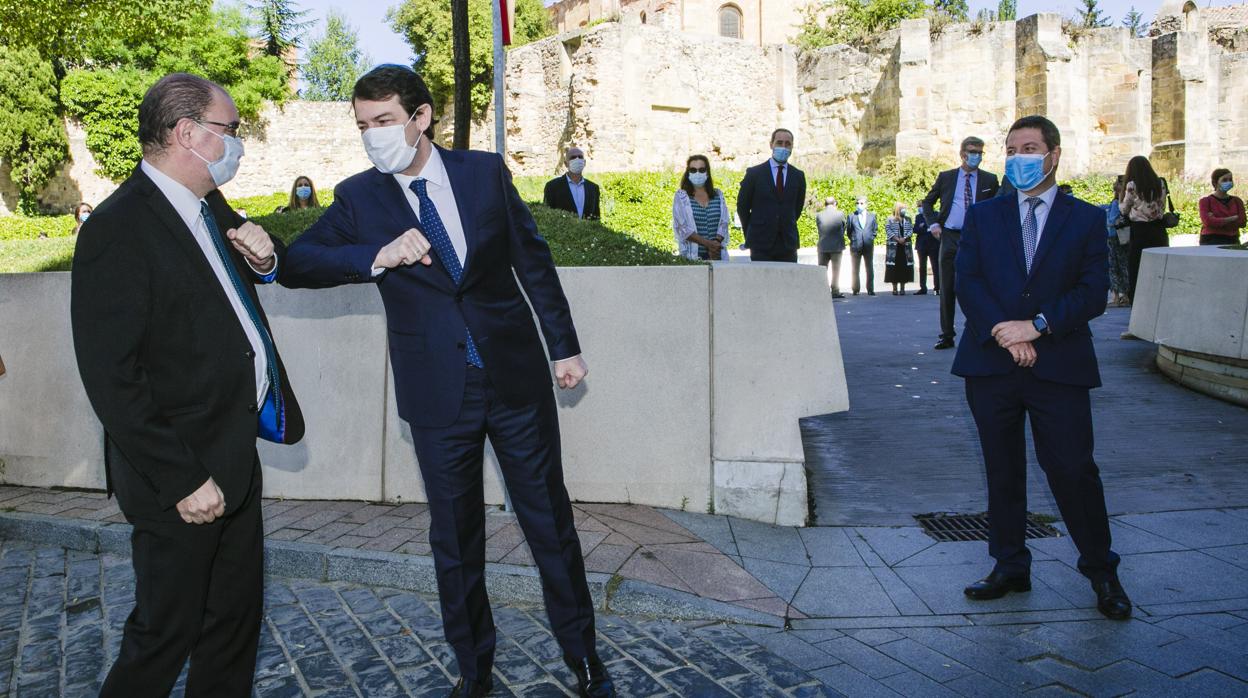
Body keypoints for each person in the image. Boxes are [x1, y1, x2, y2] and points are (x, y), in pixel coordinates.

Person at [280, 66, 613, 698]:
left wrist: (562, 348)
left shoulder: (483, 173)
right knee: (456, 541)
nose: (372, 136)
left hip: (515, 383)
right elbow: (297, 264)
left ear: (421, 116)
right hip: (437, 395)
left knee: (549, 525)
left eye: (383, 121)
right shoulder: (360, 198)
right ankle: (473, 672)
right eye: (362, 126)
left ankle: (586, 661)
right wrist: (376, 257)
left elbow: (532, 262)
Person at [70, 72, 305, 697]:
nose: (237, 145)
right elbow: (112, 378)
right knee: (164, 633)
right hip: (178, 474)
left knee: (233, 626)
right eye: (229, 131)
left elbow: (252, 270)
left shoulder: (210, 207)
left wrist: (266, 257)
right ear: (186, 134)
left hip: (234, 455)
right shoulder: (116, 230)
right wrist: (182, 480)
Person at [954, 114, 1130, 622]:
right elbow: (968, 281)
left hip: (1059, 364)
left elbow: (1093, 293)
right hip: (992, 364)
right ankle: (1010, 566)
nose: (1018, 158)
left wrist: (1037, 326)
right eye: (1011, 148)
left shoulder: (1084, 218)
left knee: (1074, 470)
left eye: (1029, 147)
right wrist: (1004, 332)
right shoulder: (985, 215)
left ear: (1053, 155)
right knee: (1002, 470)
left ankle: (1102, 570)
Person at [922, 136, 1001, 349]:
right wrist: (933, 224)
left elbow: (999, 208)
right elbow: (927, 203)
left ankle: (977, 328)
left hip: (977, 239)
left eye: (980, 152)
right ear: (962, 153)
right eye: (972, 151)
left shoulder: (990, 180)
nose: (976, 156)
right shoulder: (946, 177)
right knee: (947, 286)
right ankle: (947, 334)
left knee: (978, 285)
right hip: (949, 237)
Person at [736, 128, 806, 262]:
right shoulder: (754, 174)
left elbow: (797, 209)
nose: (783, 147)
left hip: (788, 244)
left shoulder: (798, 176)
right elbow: (742, 207)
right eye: (779, 143)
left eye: (787, 144)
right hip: (760, 244)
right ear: (771, 144)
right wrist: (752, 230)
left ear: (792, 147)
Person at [1120, 155, 1170, 316]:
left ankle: (1138, 310)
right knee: (1159, 269)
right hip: (1158, 230)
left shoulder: (1132, 185)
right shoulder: (1160, 183)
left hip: (1140, 231)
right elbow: (1162, 204)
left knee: (1137, 270)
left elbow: (1124, 209)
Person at [672, 154, 731, 261]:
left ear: (707, 172)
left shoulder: (718, 194)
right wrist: (709, 244)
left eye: (702, 170)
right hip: (693, 257)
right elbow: (683, 228)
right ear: (688, 173)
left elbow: (724, 221)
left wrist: (716, 244)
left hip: (717, 255)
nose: (697, 173)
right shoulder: (681, 197)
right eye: (693, 170)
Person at [543, 147, 600, 220]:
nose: (577, 159)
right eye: (573, 157)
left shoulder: (593, 188)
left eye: (580, 157)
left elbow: (596, 217)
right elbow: (548, 215)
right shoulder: (552, 187)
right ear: (566, 164)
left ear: (584, 162)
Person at [1198, 168, 1245, 246]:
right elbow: (1208, 222)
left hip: (1233, 239)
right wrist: (1233, 218)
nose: (1228, 182)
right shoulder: (1206, 201)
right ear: (1215, 183)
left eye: (1230, 179)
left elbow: (1242, 222)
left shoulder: (1237, 201)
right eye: (1224, 180)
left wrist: (1216, 219)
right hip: (1211, 239)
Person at [1105, 176, 1131, 307]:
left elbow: (1112, 220)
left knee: (1114, 266)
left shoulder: (1115, 203)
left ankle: (1118, 295)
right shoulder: (1125, 202)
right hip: (1123, 236)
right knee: (1123, 265)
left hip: (1114, 236)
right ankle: (1123, 294)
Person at [815, 196, 847, 297]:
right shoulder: (840, 214)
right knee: (836, 270)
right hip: (836, 246)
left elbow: (819, 228)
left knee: (822, 269)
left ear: (825, 204)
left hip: (823, 245)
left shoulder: (819, 215)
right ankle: (835, 291)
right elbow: (844, 226)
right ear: (835, 204)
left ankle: (822, 290)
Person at [847, 196, 877, 296]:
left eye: (861, 203)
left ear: (866, 204)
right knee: (855, 268)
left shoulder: (872, 216)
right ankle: (855, 289)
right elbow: (849, 231)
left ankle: (870, 289)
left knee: (869, 267)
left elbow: (874, 230)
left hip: (868, 245)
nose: (859, 205)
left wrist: (871, 238)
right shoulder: (851, 216)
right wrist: (854, 239)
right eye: (858, 203)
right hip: (856, 245)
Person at [884, 202, 914, 295]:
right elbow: (888, 230)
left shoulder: (908, 219)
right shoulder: (890, 219)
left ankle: (902, 288)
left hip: (905, 247)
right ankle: (894, 288)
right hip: (894, 247)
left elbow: (911, 230)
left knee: (904, 267)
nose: (903, 210)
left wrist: (904, 238)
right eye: (902, 208)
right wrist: (897, 239)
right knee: (893, 267)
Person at [913, 198, 939, 295]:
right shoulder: (918, 217)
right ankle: (923, 287)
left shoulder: (935, 214)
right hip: (922, 245)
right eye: (918, 206)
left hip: (933, 244)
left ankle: (937, 287)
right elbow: (915, 229)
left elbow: (937, 227)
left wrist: (923, 227)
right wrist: (924, 228)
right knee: (922, 267)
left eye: (921, 206)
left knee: (935, 266)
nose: (919, 208)